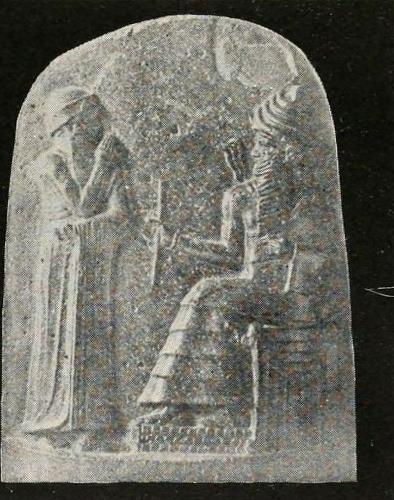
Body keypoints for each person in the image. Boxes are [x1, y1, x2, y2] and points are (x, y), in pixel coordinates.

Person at [133, 127, 332, 432]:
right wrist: (176, 241)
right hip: (254, 285)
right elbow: (230, 253)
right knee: (204, 292)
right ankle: (179, 403)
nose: (258, 154)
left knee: (213, 299)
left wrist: (293, 249)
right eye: (258, 148)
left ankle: (213, 406)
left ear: (286, 152)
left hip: (291, 293)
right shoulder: (241, 195)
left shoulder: (306, 199)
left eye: (266, 148)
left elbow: (324, 252)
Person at [21, 86, 138, 450]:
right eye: (91, 119)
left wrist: (111, 170)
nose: (100, 125)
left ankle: (96, 423)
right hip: (62, 257)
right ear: (71, 125)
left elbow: (125, 214)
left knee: (94, 336)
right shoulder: (51, 162)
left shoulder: (107, 160)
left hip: (93, 256)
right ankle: (55, 422)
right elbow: (83, 206)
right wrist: (104, 164)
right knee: (62, 334)